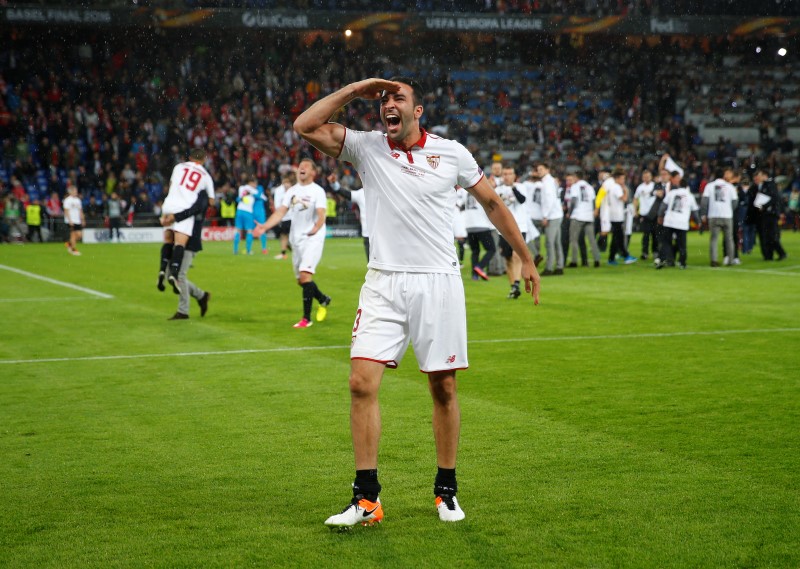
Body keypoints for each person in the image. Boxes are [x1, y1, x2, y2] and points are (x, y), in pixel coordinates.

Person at [291, 76, 540, 528]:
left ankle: (446, 490)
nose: (389, 104)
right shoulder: (367, 147)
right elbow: (306, 126)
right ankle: (367, 499)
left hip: (438, 282)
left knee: (443, 388)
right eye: (383, 99)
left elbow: (492, 204)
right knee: (360, 383)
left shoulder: (452, 153)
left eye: (397, 98)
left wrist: (526, 258)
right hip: (383, 281)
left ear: (417, 111)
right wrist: (356, 88)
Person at [254, 158, 332, 328]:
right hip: (296, 239)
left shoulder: (317, 191)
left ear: (313, 172)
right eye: (300, 166)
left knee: (305, 275)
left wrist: (317, 227)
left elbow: (321, 214)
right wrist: (264, 226)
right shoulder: (291, 192)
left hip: (313, 237)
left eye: (306, 166)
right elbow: (280, 212)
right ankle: (323, 299)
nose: (302, 168)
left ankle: (306, 319)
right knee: (301, 281)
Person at [158, 148, 215, 294]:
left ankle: (162, 270)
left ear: (189, 157)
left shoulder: (178, 167)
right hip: (184, 210)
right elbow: (211, 201)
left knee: (167, 241)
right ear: (204, 160)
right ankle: (174, 274)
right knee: (179, 243)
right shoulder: (205, 175)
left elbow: (171, 186)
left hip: (169, 205)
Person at [159, 184, 212, 320]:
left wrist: (175, 217)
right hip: (177, 239)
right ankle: (201, 296)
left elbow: (195, 210)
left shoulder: (202, 196)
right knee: (171, 276)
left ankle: (183, 311)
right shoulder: (185, 195)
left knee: (179, 275)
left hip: (191, 240)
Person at [494, 165, 528, 298]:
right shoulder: (498, 190)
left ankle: (516, 284)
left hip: (520, 226)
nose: (507, 176)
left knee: (516, 256)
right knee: (508, 258)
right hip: (504, 228)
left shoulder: (521, 187)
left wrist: (513, 188)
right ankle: (513, 287)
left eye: (510, 174)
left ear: (514, 176)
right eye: (505, 174)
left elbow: (522, 200)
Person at [656, 172, 700, 269]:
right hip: (682, 223)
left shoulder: (671, 193)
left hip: (669, 221)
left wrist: (660, 216)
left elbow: (663, 207)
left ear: (678, 185)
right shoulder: (690, 196)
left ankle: (664, 259)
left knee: (666, 242)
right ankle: (682, 263)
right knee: (682, 244)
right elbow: (695, 211)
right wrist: (698, 222)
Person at [700, 168, 739, 267]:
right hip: (727, 216)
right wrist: (729, 209)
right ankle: (730, 259)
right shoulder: (730, 186)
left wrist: (703, 214)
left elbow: (704, 201)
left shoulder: (709, 186)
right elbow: (735, 202)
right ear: (723, 176)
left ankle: (714, 260)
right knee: (729, 239)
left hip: (713, 215)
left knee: (714, 239)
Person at [328, 171, 370, 261]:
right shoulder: (361, 193)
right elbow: (345, 193)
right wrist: (334, 184)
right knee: (372, 266)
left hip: (382, 235)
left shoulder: (384, 192)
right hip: (368, 236)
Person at [565, 172, 601, 268]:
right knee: (592, 239)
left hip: (578, 215)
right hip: (589, 216)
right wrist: (592, 211)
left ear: (576, 177)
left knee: (574, 239)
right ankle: (597, 260)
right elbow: (594, 201)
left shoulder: (575, 186)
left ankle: (574, 261)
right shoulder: (589, 187)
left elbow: (574, 200)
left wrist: (569, 212)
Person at [604, 169, 638, 265]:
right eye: (622, 179)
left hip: (614, 215)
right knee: (618, 238)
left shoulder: (611, 187)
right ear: (618, 179)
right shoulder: (616, 187)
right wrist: (625, 191)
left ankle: (613, 258)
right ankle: (625, 255)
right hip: (617, 216)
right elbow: (624, 199)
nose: (623, 181)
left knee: (616, 238)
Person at [753, 169, 787, 261]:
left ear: (765, 175)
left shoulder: (771, 184)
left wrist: (764, 206)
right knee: (767, 236)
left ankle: (782, 253)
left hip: (771, 214)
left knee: (772, 236)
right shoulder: (764, 185)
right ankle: (769, 256)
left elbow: (774, 198)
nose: (758, 177)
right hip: (766, 214)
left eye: (760, 175)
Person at [537, 162, 564, 276]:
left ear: (547, 170)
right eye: (538, 169)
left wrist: (545, 216)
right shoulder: (551, 181)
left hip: (552, 215)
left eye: (541, 169)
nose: (539, 171)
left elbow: (549, 200)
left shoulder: (547, 182)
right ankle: (559, 266)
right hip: (557, 214)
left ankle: (549, 267)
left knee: (550, 242)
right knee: (557, 242)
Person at [633, 169, 657, 260]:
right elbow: (635, 199)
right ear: (642, 178)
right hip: (644, 214)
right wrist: (635, 210)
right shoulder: (640, 187)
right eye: (645, 177)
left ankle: (655, 251)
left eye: (648, 176)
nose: (646, 178)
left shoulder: (655, 186)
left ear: (651, 177)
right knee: (646, 234)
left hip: (654, 213)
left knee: (655, 234)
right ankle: (645, 252)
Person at [271, 173, 295, 259]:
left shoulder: (293, 190)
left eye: (288, 182)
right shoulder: (278, 191)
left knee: (293, 235)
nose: (286, 184)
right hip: (284, 217)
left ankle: (295, 249)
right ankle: (283, 253)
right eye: (285, 182)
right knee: (283, 234)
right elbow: (277, 205)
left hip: (293, 216)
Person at [233, 175, 259, 255]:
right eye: (255, 183)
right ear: (251, 182)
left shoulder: (241, 188)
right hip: (248, 212)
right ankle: (248, 250)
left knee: (238, 230)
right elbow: (260, 196)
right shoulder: (254, 190)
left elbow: (238, 199)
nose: (256, 185)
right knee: (249, 231)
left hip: (239, 210)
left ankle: (235, 250)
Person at [63, 183, 84, 255]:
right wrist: (69, 220)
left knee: (79, 235)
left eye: (76, 191)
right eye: (74, 191)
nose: (76, 192)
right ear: (70, 192)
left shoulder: (78, 200)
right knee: (73, 235)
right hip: (71, 220)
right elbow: (66, 211)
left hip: (77, 220)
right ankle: (73, 249)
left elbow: (80, 210)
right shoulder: (67, 200)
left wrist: (82, 219)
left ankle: (69, 243)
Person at [253, 181, 270, 254]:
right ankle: (248, 249)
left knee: (262, 229)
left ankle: (264, 248)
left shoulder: (259, 188)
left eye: (254, 183)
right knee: (250, 230)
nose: (253, 185)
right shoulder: (249, 190)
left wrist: (251, 193)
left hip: (260, 213)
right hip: (252, 212)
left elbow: (259, 195)